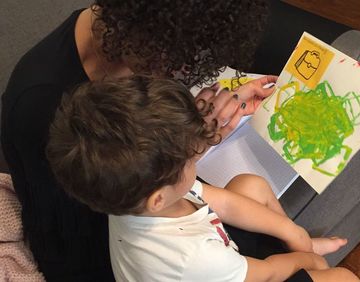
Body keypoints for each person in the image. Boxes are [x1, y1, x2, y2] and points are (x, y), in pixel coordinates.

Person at [1, 1, 274, 280]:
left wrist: (191, 135)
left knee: (256, 209)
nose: (178, 69)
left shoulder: (126, 39)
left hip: (146, 202)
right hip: (106, 242)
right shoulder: (43, 105)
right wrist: (184, 149)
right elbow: (84, 228)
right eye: (170, 53)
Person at [46, 75, 359, 282]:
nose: (199, 151)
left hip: (217, 257)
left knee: (251, 184)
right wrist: (304, 259)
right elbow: (265, 274)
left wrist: (291, 231)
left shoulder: (136, 195)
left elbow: (225, 201)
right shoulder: (190, 257)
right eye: (190, 158)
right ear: (158, 198)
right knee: (342, 278)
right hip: (230, 271)